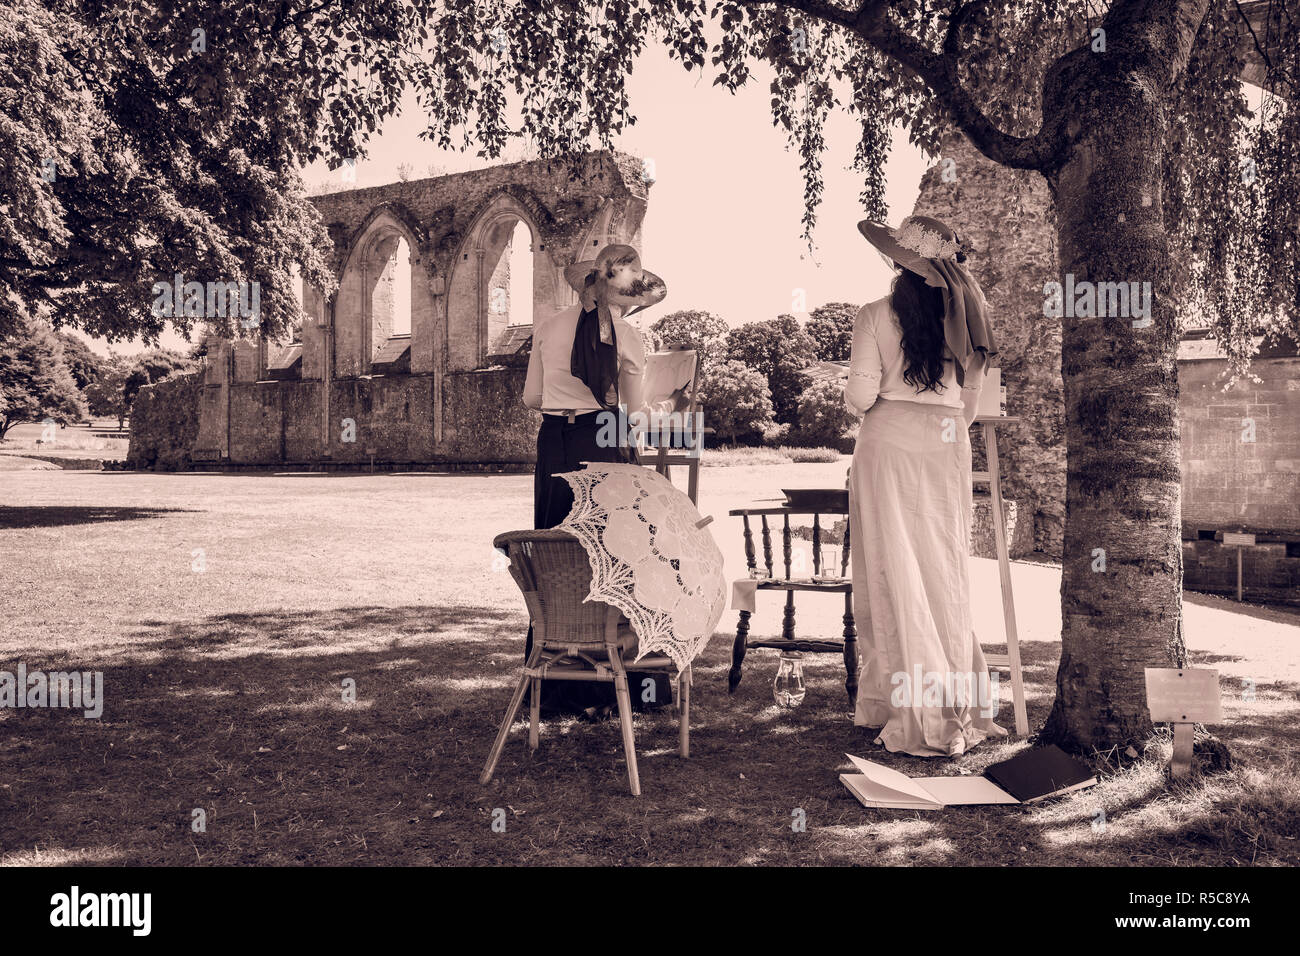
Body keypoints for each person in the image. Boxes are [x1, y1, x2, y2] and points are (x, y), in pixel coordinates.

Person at [846, 215, 1007, 757]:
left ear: (898, 264)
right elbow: (971, 403)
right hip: (944, 441)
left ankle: (898, 702)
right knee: (942, 566)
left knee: (889, 567)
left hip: (887, 439)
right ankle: (949, 700)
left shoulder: (873, 315)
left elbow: (860, 398)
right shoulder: (969, 316)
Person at [519, 242, 680, 714]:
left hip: (555, 444)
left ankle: (558, 682)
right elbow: (628, 413)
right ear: (622, 294)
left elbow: (532, 398)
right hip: (604, 444)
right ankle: (616, 684)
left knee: (557, 553)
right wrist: (669, 408)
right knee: (617, 555)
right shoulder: (629, 336)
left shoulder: (547, 327)